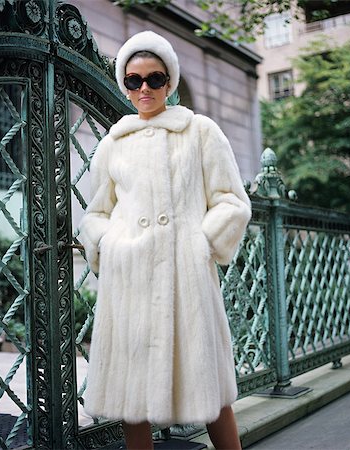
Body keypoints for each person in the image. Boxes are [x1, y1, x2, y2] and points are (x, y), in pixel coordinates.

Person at [80, 30, 251, 450]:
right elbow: (96, 212)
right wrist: (110, 245)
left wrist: (200, 243)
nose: (144, 89)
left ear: (169, 83)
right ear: (124, 83)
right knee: (130, 397)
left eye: (154, 79)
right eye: (134, 80)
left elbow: (232, 201)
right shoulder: (112, 143)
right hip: (129, 280)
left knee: (210, 390)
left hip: (185, 279)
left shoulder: (200, 132)